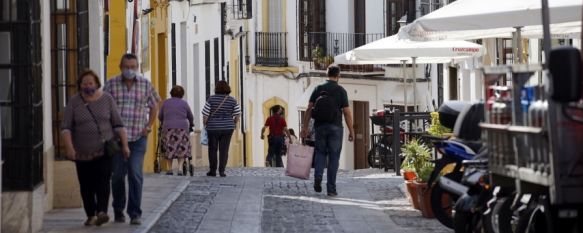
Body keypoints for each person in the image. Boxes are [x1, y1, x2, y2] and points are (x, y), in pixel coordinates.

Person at [61, 70, 130, 226]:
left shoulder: (107, 99)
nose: (87, 86)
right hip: (82, 153)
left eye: (90, 83)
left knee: (103, 181)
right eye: (84, 83)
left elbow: (118, 125)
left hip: (104, 151)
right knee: (86, 184)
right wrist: (70, 148)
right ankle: (90, 214)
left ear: (97, 84)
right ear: (80, 85)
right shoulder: (74, 102)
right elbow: (66, 128)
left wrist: (125, 146)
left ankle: (102, 212)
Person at [104, 53, 161, 225]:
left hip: (137, 137)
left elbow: (155, 104)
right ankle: (118, 209)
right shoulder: (111, 84)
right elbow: (103, 107)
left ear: (137, 67)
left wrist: (149, 126)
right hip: (116, 139)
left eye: (133, 67)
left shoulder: (145, 85)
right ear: (121, 67)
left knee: (135, 174)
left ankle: (135, 213)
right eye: (126, 67)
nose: (130, 70)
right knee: (117, 176)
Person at [301, 65, 354, 197]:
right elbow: (347, 112)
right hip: (336, 127)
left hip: (320, 127)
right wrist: (351, 130)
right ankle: (331, 189)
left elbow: (309, 108)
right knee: (334, 157)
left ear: (327, 74)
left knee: (320, 153)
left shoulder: (318, 88)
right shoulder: (341, 90)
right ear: (338, 76)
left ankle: (318, 177)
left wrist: (305, 127)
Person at [202, 81, 241, 177]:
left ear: (216, 88)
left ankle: (213, 170)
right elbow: (237, 115)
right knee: (224, 149)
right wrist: (233, 123)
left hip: (213, 127)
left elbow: (205, 115)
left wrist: (205, 123)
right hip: (228, 128)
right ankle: (222, 171)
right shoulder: (232, 100)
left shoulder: (211, 100)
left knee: (213, 149)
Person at [158, 85, 194, 175]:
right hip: (182, 128)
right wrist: (191, 123)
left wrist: (164, 121)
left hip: (168, 128)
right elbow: (190, 116)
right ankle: (180, 169)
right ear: (182, 94)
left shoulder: (166, 103)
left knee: (169, 147)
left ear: (171, 93)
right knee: (181, 148)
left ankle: (169, 169)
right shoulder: (184, 104)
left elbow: (160, 116)